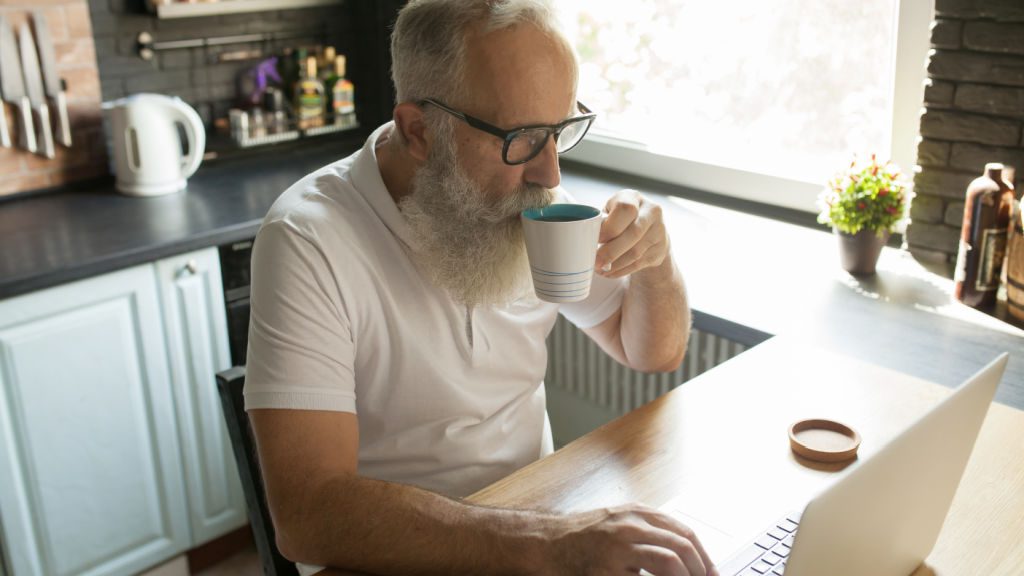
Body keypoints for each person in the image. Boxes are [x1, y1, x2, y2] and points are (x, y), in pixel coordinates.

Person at [245, 1, 712, 574]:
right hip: (395, 557)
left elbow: (651, 350)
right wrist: (547, 542)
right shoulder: (308, 237)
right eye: (521, 139)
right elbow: (307, 516)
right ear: (419, 130)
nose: (551, 175)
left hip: (536, 515)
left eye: (560, 131)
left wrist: (656, 264)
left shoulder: (528, 202)